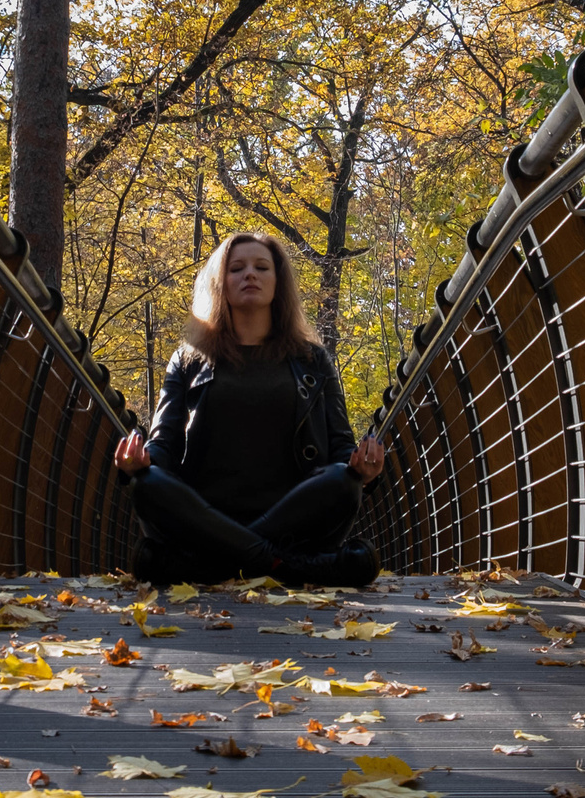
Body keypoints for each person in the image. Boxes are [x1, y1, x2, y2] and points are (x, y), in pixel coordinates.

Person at [111, 232, 384, 586]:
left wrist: (364, 468)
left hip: (293, 521)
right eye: (236, 268)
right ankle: (286, 565)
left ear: (278, 282)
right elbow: (163, 446)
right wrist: (137, 464)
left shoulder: (313, 359)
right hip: (203, 521)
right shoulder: (188, 360)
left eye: (261, 267)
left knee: (343, 482)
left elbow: (341, 447)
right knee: (147, 483)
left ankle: (212, 566)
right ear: (220, 283)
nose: (250, 274)